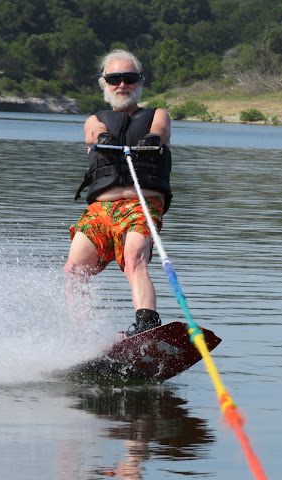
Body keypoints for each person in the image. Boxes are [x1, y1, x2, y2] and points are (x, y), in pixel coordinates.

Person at [65, 49, 172, 335]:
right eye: (115, 79)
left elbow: (161, 130)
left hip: (141, 203)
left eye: (129, 78)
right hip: (100, 210)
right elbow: (93, 132)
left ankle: (147, 326)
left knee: (134, 256)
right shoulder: (94, 119)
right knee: (74, 269)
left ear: (140, 81)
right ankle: (86, 337)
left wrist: (153, 138)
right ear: (104, 83)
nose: (122, 84)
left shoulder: (157, 115)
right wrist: (103, 137)